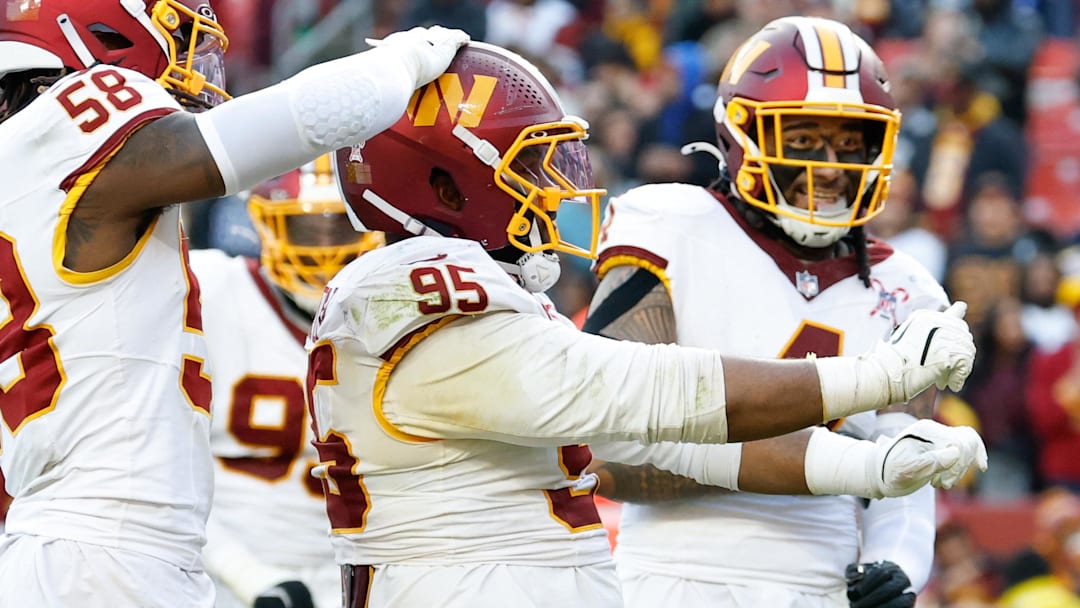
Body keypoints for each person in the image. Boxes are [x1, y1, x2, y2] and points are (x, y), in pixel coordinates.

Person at [307, 40, 985, 607]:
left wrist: (884, 475)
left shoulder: (494, 290)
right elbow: (642, 403)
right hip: (502, 585)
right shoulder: (417, 290)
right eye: (528, 165)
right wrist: (875, 385)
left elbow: (667, 436)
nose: (555, 187)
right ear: (445, 187)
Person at [0, 1, 469, 605]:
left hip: (69, 539)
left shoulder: (22, 161)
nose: (196, 66)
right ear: (95, 35)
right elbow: (298, 120)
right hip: (104, 550)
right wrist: (403, 62)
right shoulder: (67, 127)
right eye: (181, 40)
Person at [583, 16, 965, 608]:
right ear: (744, 134)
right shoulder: (670, 222)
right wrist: (844, 465)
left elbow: (906, 465)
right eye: (805, 140)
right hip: (673, 579)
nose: (833, 167)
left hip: (824, 582)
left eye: (849, 141)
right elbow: (611, 450)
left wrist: (899, 562)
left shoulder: (906, 287)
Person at [190, 156, 384, 608]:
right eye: (304, 228)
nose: (323, 248)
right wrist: (247, 576)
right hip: (214, 575)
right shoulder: (208, 291)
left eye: (340, 227)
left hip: (346, 580)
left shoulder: (397, 317)